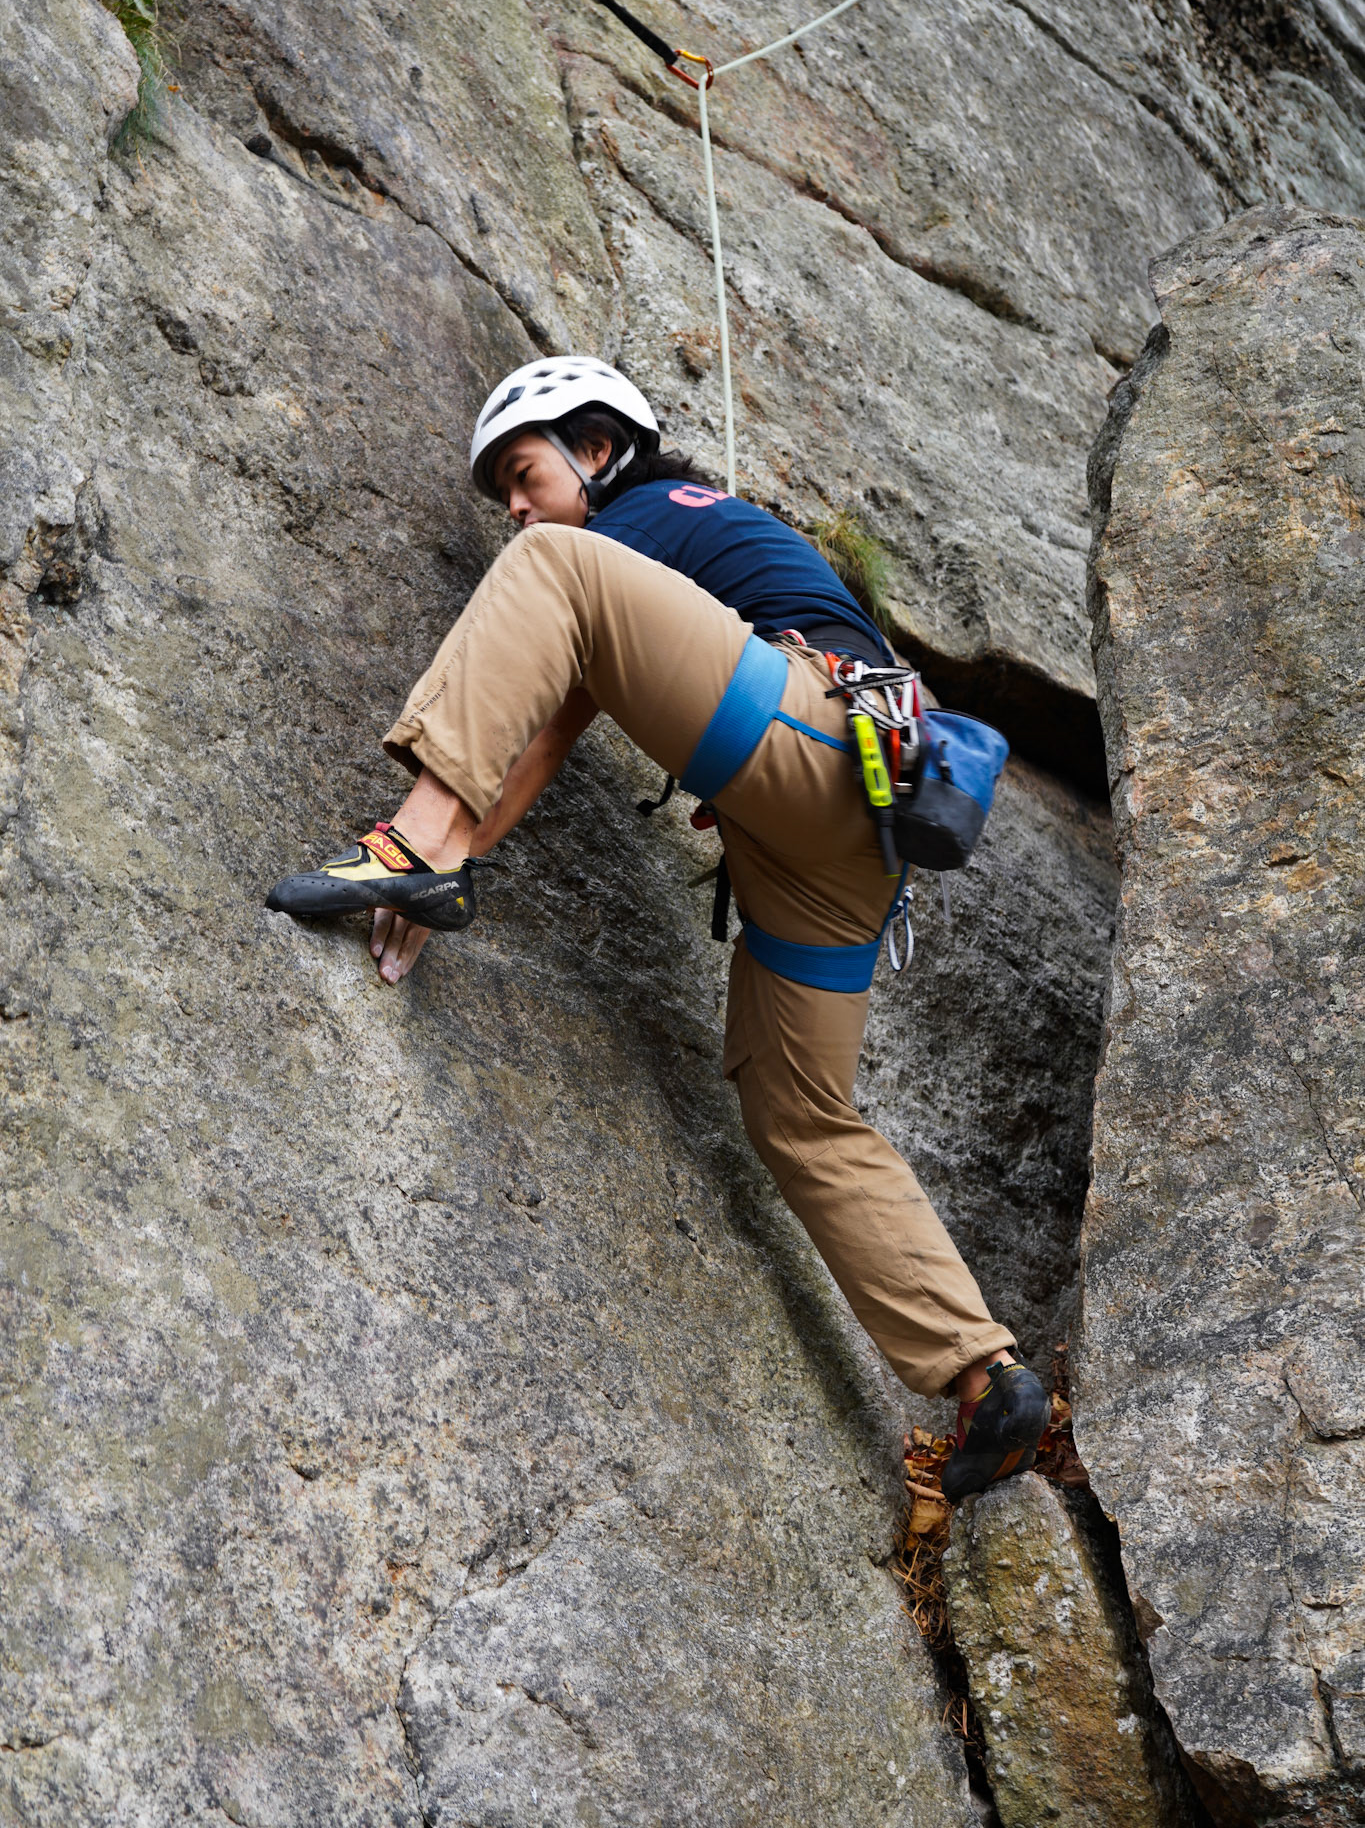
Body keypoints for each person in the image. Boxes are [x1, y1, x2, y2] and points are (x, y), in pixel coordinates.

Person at [267, 357, 1049, 1499]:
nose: (520, 508)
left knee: (548, 571)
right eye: (505, 494)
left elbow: (552, 704)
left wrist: (435, 849)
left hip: (813, 740)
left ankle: (406, 843)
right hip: (845, 840)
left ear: (596, 448)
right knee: (797, 1109)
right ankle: (986, 1374)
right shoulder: (670, 535)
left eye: (526, 474)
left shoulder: (644, 512)